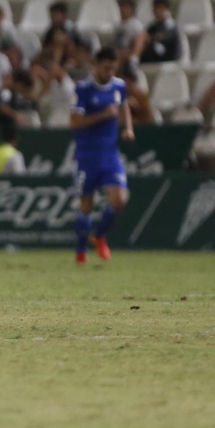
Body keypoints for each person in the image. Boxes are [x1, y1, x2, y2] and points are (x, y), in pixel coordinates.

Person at [69, 47, 134, 265]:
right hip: (87, 155)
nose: (109, 72)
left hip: (110, 155)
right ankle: (81, 250)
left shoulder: (119, 86)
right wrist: (103, 115)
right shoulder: (83, 89)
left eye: (113, 69)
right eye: (106, 68)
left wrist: (128, 128)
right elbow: (74, 122)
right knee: (86, 206)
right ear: (96, 65)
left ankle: (99, 236)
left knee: (119, 199)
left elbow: (124, 107)